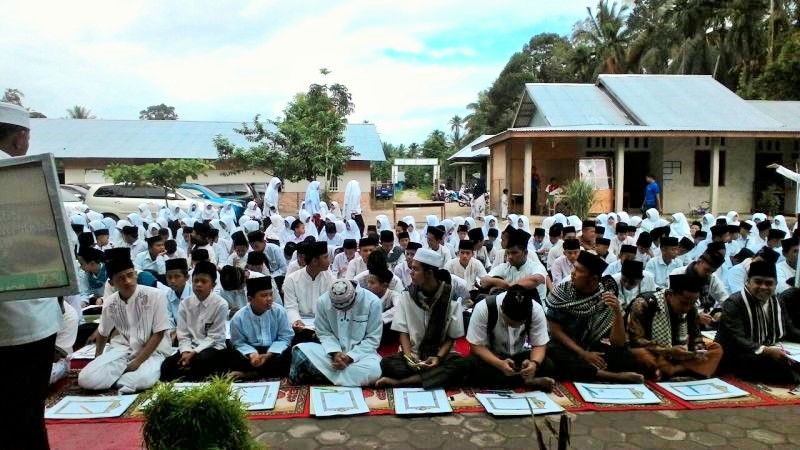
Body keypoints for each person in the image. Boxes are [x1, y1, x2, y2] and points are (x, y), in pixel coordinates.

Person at [0, 102, 68, 449]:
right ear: (20, 138)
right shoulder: (29, 180)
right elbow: (60, 249)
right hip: (25, 324)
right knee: (25, 417)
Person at [78, 248, 172, 393]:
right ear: (111, 282)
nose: (128, 281)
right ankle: (116, 375)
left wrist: (138, 362)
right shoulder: (110, 302)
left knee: (134, 382)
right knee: (86, 378)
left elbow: (159, 333)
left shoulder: (156, 296)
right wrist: (98, 359)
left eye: (130, 275)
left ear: (135, 274)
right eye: (121, 278)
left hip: (154, 352)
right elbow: (103, 333)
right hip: (123, 349)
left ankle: (119, 377)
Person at [545, 251, 644, 383]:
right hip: (567, 347)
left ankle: (592, 371)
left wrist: (617, 313)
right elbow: (555, 331)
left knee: (625, 356)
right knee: (553, 354)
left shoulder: (605, 296)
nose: (573, 273)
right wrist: (583, 354)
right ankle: (612, 376)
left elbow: (618, 343)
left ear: (593, 279)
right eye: (574, 267)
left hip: (593, 346)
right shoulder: (562, 292)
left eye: (579, 270)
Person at [376, 249, 467, 388]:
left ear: (429, 273)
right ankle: (428, 378)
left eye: (415, 269)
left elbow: (451, 337)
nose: (410, 273)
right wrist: (408, 356)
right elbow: (403, 331)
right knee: (386, 364)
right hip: (414, 353)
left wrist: (438, 357)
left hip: (440, 356)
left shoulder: (450, 297)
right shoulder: (407, 295)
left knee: (461, 365)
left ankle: (402, 382)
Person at [715, 260, 800, 384]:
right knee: (781, 371)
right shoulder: (734, 303)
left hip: (768, 349)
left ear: (775, 284)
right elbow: (737, 339)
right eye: (758, 282)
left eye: (769, 283)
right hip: (738, 353)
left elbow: (789, 329)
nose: (764, 287)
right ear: (748, 282)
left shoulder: (776, 301)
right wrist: (765, 350)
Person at [628, 274, 723, 380]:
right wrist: (667, 351)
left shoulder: (691, 308)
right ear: (670, 294)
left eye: (692, 303)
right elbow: (635, 340)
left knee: (716, 349)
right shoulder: (644, 303)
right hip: (656, 352)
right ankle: (683, 370)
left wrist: (697, 350)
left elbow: (696, 335)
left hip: (680, 355)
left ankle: (673, 370)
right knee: (641, 355)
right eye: (683, 303)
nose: (687, 307)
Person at [290, 280, 383, 386]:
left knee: (376, 370)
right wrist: (335, 353)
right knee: (300, 350)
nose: (342, 311)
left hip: (361, 356)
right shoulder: (323, 301)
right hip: (331, 355)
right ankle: (346, 380)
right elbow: (324, 332)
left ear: (355, 295)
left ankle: (324, 377)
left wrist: (350, 357)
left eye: (346, 308)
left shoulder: (372, 302)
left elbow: (372, 339)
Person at [464, 285, 555, 390]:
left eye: (520, 323)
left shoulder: (536, 310)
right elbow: (476, 346)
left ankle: (513, 381)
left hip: (518, 357)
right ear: (502, 308)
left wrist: (533, 364)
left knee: (548, 364)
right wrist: (499, 363)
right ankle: (526, 382)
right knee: (469, 365)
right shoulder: (484, 308)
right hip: (490, 358)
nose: (515, 326)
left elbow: (539, 344)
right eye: (511, 322)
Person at [160, 261, 229, 381]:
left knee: (201, 362)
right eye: (195, 281)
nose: (198, 285)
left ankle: (190, 374)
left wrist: (193, 353)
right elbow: (183, 334)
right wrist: (186, 351)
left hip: (213, 347)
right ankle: (189, 373)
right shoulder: (185, 304)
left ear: (213, 284)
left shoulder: (221, 304)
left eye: (203, 281)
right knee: (166, 366)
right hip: (191, 346)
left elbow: (214, 336)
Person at [229, 276, 294, 379]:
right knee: (229, 355)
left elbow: (285, 337)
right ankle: (263, 372)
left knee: (289, 354)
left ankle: (250, 374)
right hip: (251, 352)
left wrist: (269, 355)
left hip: (273, 351)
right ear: (250, 299)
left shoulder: (279, 311)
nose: (269, 299)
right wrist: (252, 354)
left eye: (270, 294)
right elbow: (238, 342)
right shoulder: (239, 317)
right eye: (264, 295)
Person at [282, 241, 335, 343]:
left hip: (323, 325)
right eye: (325, 257)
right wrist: (296, 320)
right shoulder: (292, 279)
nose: (329, 261)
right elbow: (290, 306)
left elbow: (332, 307)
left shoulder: (330, 279)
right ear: (314, 261)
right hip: (301, 324)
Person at [482, 229, 548, 301]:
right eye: (508, 253)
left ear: (525, 253)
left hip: (534, 307)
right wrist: (505, 285)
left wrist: (509, 286)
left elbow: (536, 279)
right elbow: (484, 281)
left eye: (514, 253)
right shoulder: (505, 267)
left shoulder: (536, 266)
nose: (509, 256)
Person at [670, 250, 729, 330]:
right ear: (699, 262)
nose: (709, 273)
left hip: (705, 320)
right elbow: (671, 305)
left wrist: (722, 312)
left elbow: (725, 299)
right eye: (707, 270)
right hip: (681, 320)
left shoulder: (711, 277)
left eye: (712, 271)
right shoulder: (678, 273)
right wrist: (695, 315)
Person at [163, 257, 193, 332]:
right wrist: (172, 332)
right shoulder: (167, 296)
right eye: (169, 277)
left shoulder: (195, 294)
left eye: (177, 277)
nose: (172, 281)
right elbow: (168, 319)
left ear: (186, 277)